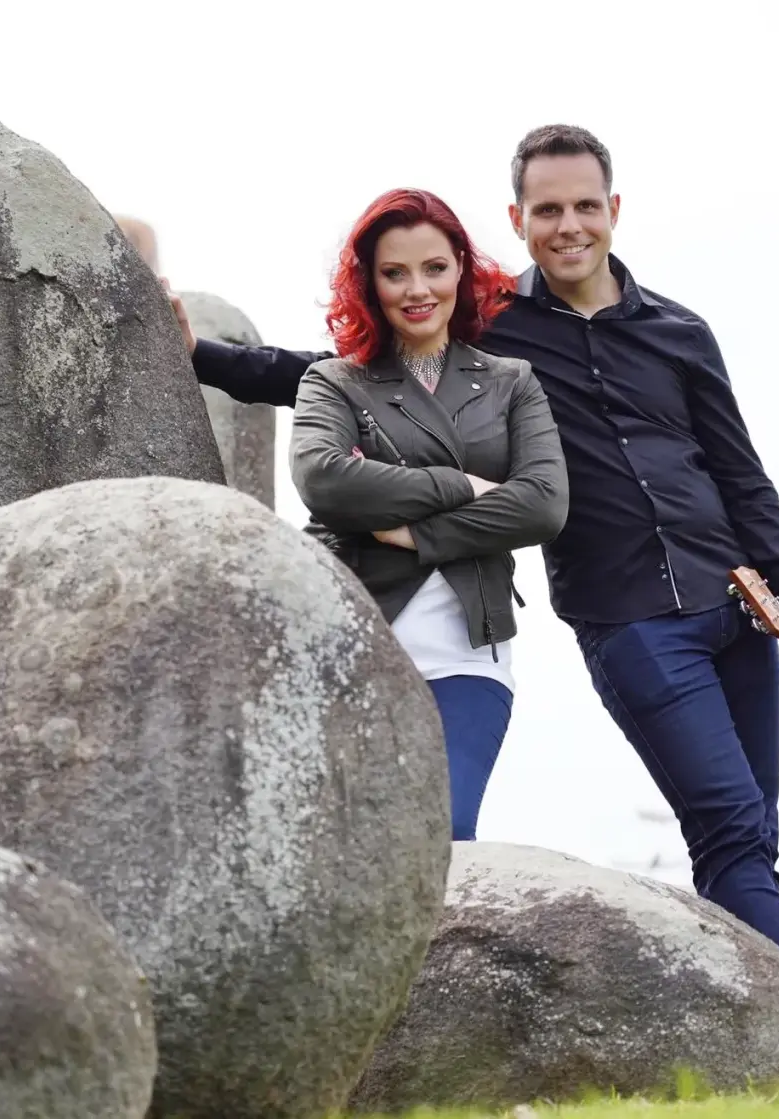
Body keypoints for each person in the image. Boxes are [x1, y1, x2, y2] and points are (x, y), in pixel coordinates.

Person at [162, 126, 779, 970]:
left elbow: (741, 476)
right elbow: (347, 372)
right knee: (730, 824)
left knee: (751, 836)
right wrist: (204, 358)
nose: (568, 226)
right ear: (517, 220)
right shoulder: (493, 327)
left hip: (737, 603)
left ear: (614, 209)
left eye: (585, 206)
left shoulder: (681, 333)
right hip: (629, 615)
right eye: (547, 211)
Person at [264, 187, 567, 843]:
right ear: (369, 284)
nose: (417, 289)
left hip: (468, 650)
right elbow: (324, 480)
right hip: (352, 637)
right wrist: (462, 483)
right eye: (394, 272)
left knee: (441, 831)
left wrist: (416, 531)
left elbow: (543, 504)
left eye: (434, 267)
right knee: (349, 843)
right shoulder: (334, 381)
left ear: (461, 268)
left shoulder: (512, 381)